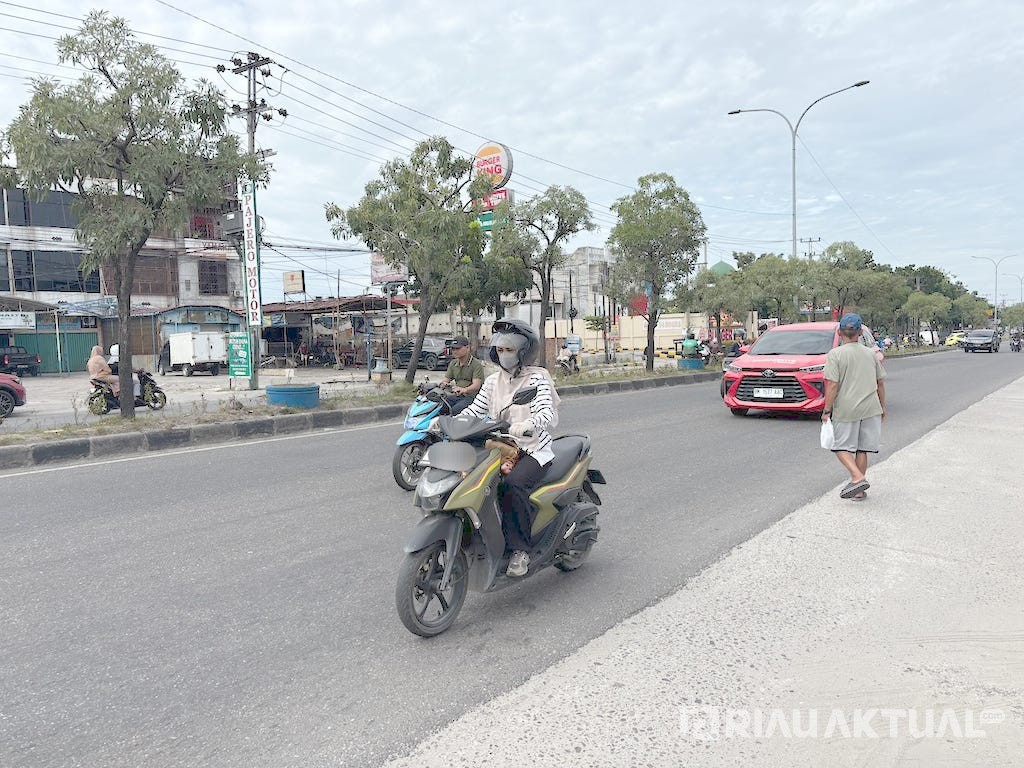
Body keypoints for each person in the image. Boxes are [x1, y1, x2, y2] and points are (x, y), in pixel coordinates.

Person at [461, 319, 560, 577]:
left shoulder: (536, 378)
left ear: (524, 351)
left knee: (511, 485)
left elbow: (546, 412)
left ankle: (520, 550)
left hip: (532, 448)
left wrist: (529, 423)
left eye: (510, 349)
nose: (504, 355)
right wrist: (449, 423)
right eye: (501, 350)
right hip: (502, 447)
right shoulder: (494, 381)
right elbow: (475, 409)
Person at [822, 313, 887, 501]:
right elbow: (880, 383)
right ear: (859, 332)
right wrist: (883, 407)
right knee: (862, 448)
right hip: (871, 408)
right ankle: (858, 490)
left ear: (840, 332)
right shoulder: (870, 354)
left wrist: (827, 410)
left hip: (846, 409)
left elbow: (832, 385)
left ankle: (857, 477)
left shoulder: (835, 355)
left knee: (839, 446)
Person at [439, 336, 485, 414]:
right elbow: (446, 380)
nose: (455, 351)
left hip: (473, 397)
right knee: (440, 407)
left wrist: (464, 389)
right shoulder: (453, 363)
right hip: (458, 396)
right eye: (453, 349)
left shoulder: (476, 364)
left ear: (467, 348)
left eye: (458, 348)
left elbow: (476, 385)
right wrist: (443, 384)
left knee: (455, 410)